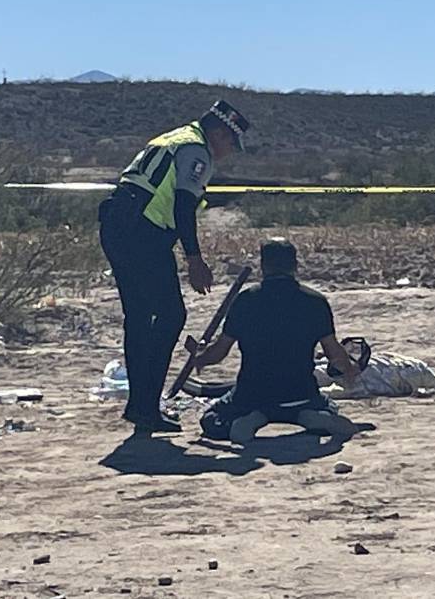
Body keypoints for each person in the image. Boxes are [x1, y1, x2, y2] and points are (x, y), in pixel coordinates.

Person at [99, 100, 251, 434]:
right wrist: (194, 259)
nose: (229, 151)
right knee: (170, 316)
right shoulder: (197, 151)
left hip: (117, 225)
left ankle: (141, 407)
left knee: (139, 319)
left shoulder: (176, 138)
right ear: (218, 132)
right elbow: (183, 206)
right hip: (143, 233)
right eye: (229, 142)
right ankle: (145, 404)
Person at [192, 238, 362, 445]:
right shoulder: (315, 301)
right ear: (295, 265)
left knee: (210, 420)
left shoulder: (246, 300)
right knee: (327, 407)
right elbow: (333, 352)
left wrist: (199, 359)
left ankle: (253, 418)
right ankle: (308, 417)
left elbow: (220, 351)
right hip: (301, 392)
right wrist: (349, 369)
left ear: (263, 266)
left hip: (252, 394)